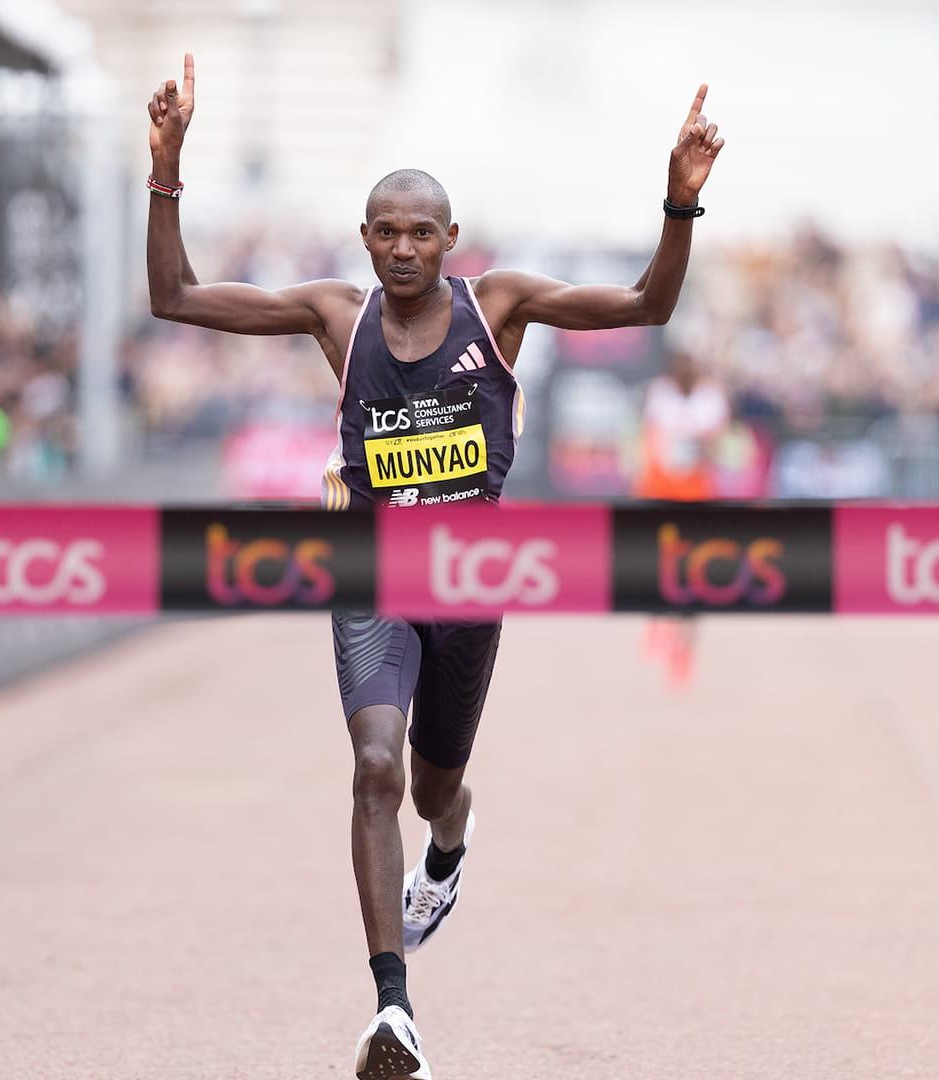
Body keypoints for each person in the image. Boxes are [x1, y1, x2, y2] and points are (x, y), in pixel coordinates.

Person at [145, 54, 724, 1079]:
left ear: (450, 241)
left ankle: (449, 851)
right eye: (386, 231)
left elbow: (644, 307)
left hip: (470, 586)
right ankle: (393, 1010)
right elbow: (176, 298)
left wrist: (679, 204)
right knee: (373, 768)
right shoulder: (338, 316)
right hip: (369, 576)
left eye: (421, 231)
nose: (403, 247)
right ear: (365, 240)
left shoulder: (496, 307)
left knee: (430, 786)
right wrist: (167, 168)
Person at [633, 347, 729, 687]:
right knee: (661, 566)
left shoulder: (711, 398)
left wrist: (701, 445)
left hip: (697, 496)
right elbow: (648, 440)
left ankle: (683, 650)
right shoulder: (660, 395)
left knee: (696, 575)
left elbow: (719, 446)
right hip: (662, 492)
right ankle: (658, 624)